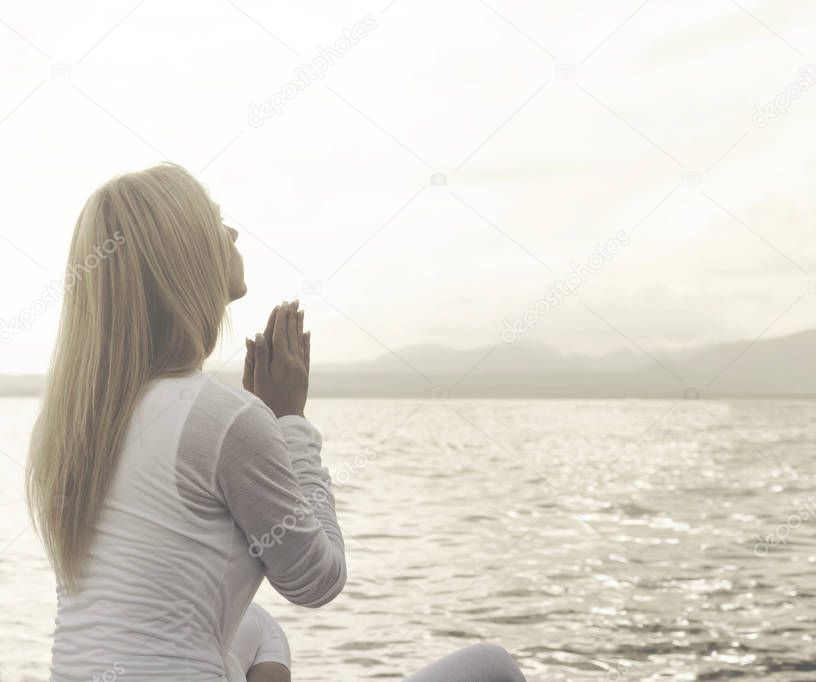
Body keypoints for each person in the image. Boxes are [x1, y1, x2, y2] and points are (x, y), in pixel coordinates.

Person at [26, 163, 527, 682]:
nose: (234, 232)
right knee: (491, 666)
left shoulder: (72, 424)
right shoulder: (221, 417)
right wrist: (289, 419)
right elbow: (317, 579)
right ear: (183, 257)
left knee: (259, 629)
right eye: (216, 222)